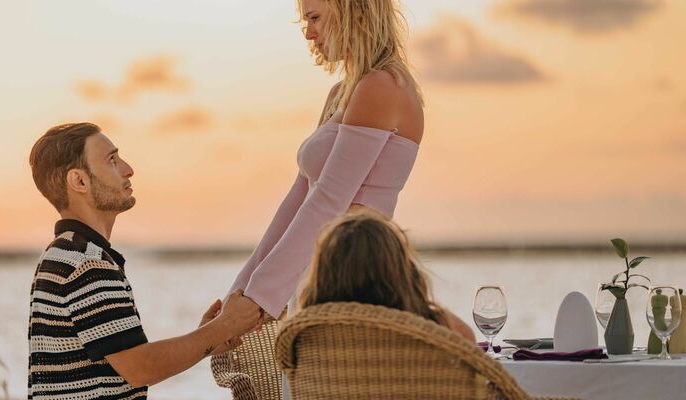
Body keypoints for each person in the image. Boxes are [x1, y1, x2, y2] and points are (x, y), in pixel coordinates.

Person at [26, 122, 261, 399]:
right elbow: (141, 368)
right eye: (112, 160)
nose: (128, 169)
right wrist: (224, 326)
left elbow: (131, 359)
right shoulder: (86, 262)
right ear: (79, 181)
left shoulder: (65, 253)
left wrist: (208, 337)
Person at [227, 0, 425, 321]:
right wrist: (239, 292)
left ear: (354, 10)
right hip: (319, 276)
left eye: (315, 18)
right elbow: (296, 203)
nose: (309, 33)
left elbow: (329, 201)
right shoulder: (341, 94)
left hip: (355, 279)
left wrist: (257, 298)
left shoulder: (381, 86)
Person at [300, 210, 476, 341]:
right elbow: (471, 352)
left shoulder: (304, 335)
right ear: (401, 271)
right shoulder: (432, 330)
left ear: (323, 276)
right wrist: (428, 309)